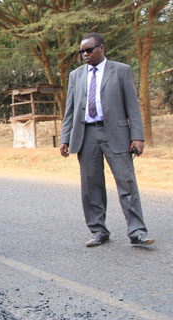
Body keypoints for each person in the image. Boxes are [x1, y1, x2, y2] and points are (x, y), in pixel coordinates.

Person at [60, 32, 154, 248]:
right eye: (81, 51)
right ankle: (98, 230)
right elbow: (70, 110)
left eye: (89, 50)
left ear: (101, 48)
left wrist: (138, 137)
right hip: (86, 135)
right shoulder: (76, 75)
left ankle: (137, 231)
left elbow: (133, 106)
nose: (84, 54)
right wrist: (65, 138)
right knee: (91, 186)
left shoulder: (121, 70)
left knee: (126, 182)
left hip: (117, 134)